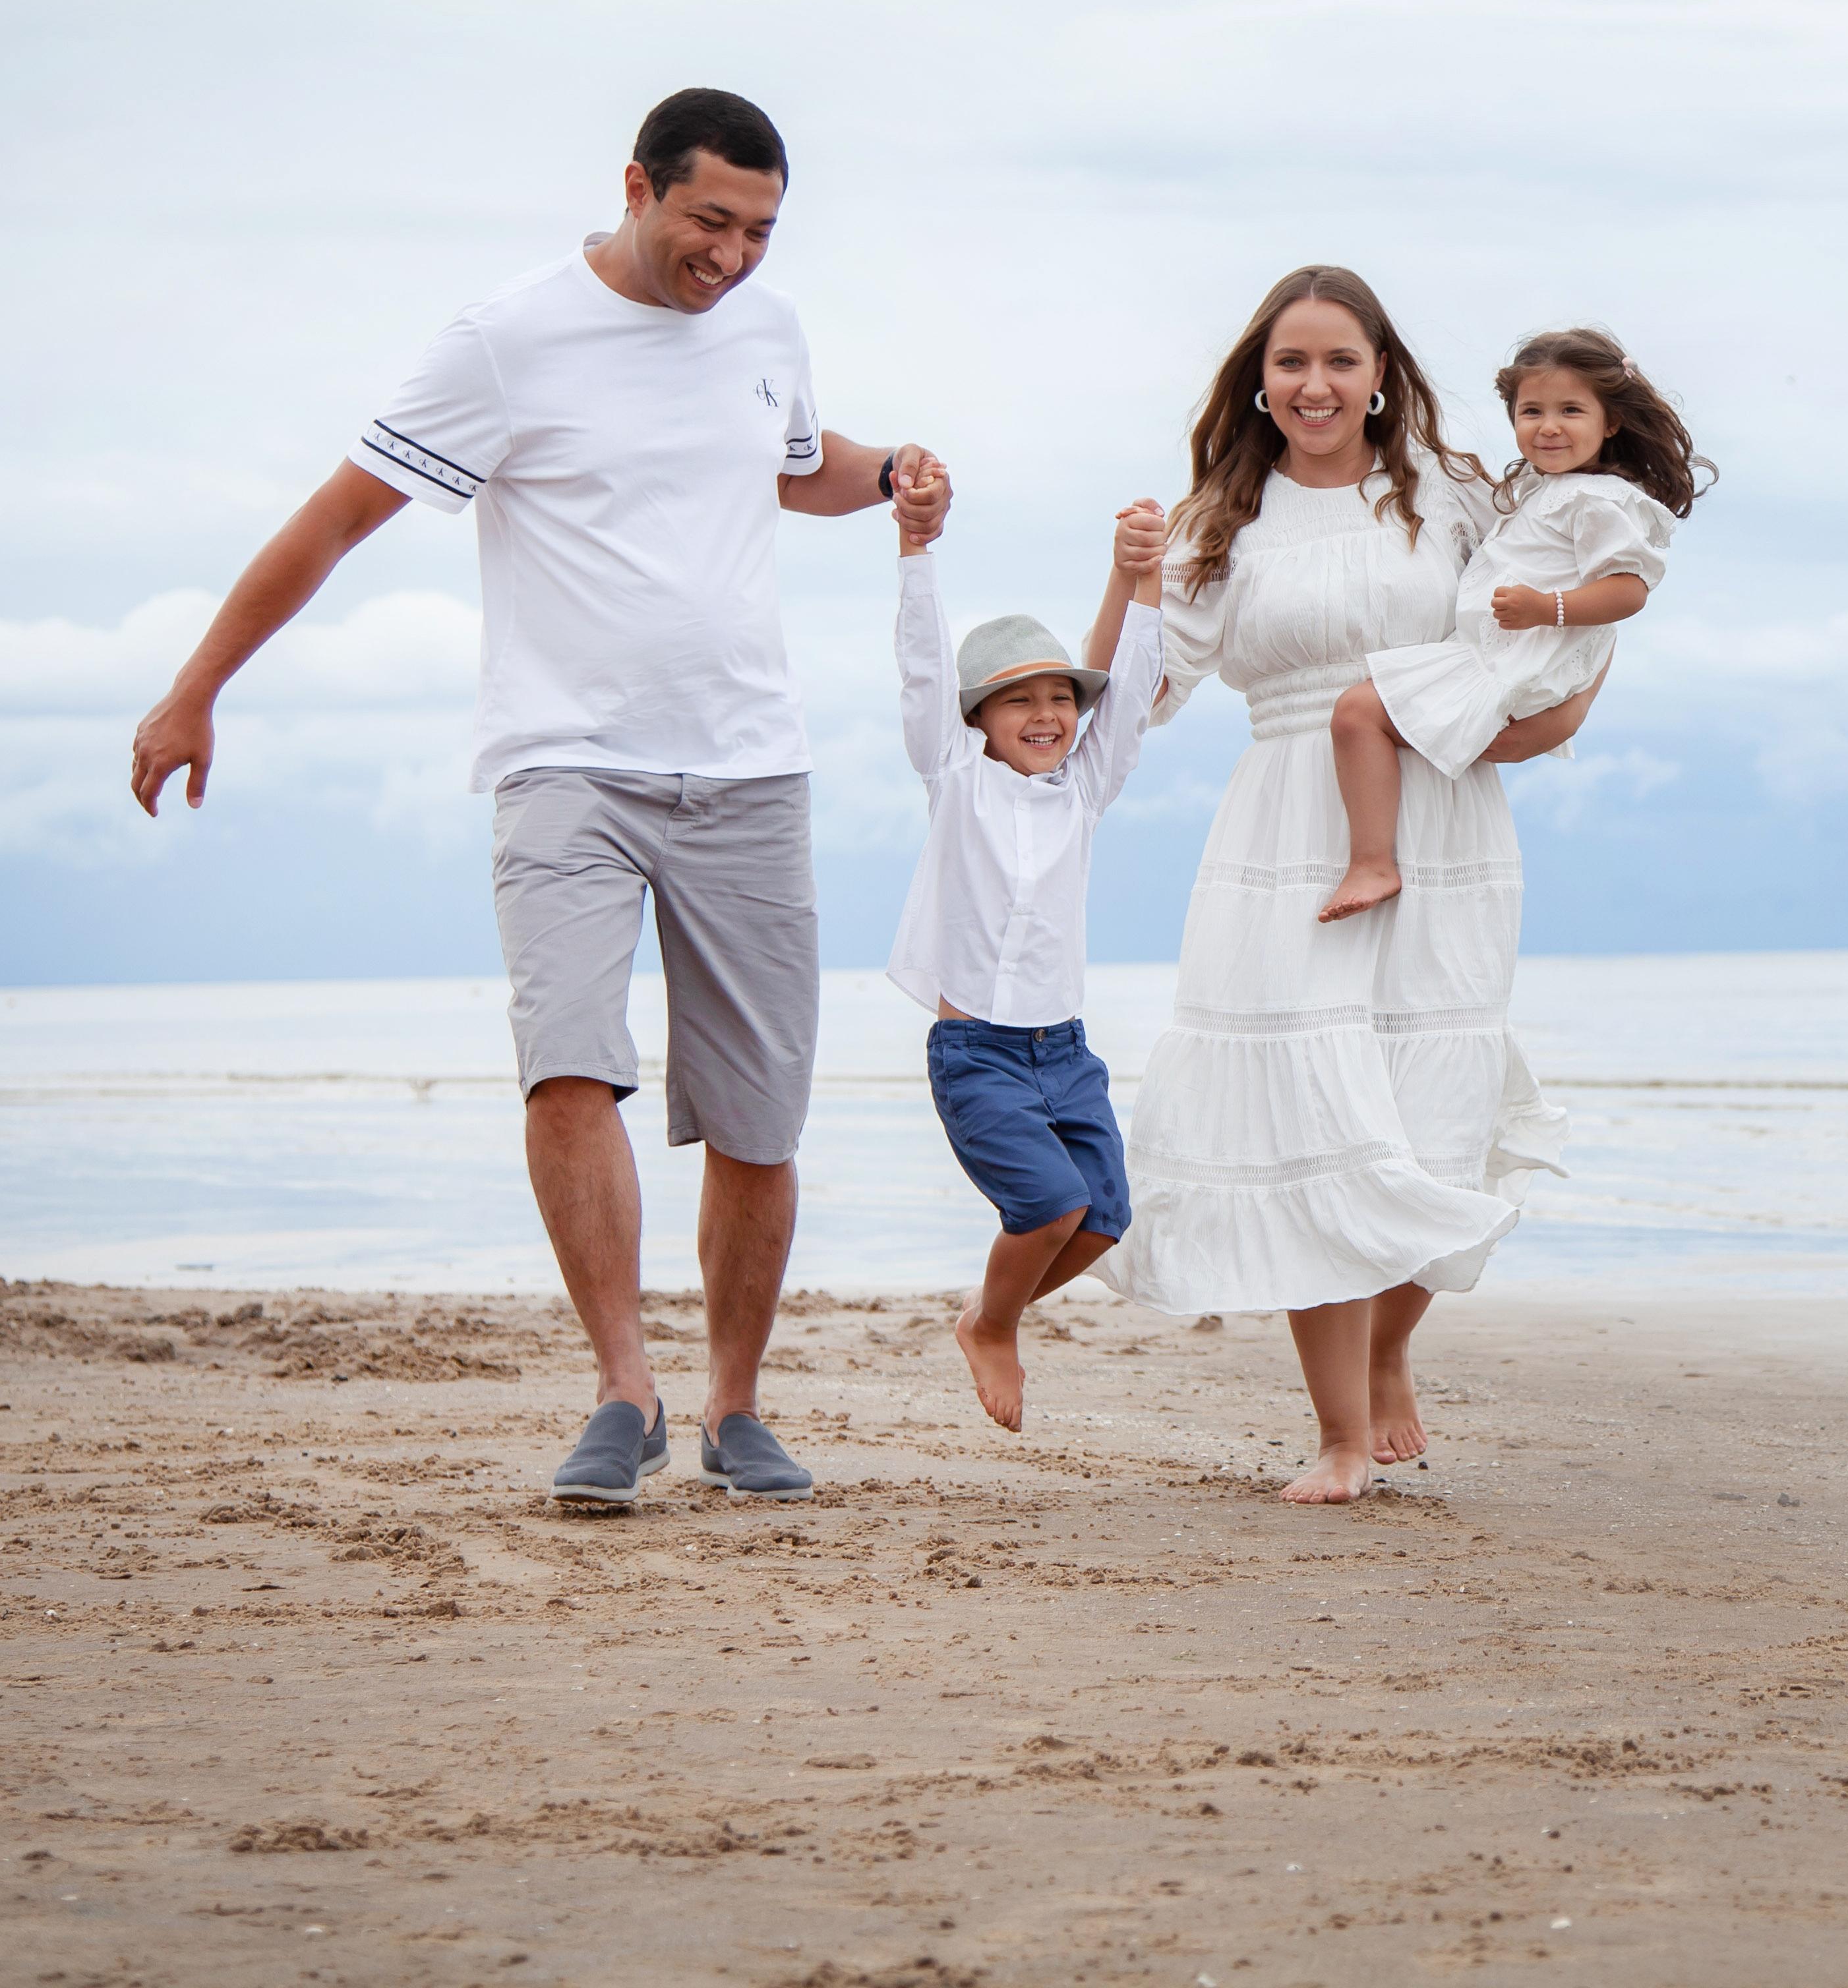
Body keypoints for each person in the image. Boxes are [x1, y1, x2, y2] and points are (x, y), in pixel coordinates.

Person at [126, 87, 941, 1509]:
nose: (733, 258)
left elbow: (797, 470)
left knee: (758, 1118)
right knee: (572, 1063)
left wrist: (900, 475)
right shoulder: (506, 340)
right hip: (563, 763)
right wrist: (195, 688)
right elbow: (337, 517)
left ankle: (734, 1410)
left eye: (759, 230)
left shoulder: (769, 328)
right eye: (708, 222)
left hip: (751, 767)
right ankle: (623, 1395)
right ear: (636, 185)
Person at [1081, 266, 1594, 1504]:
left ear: (1380, 376)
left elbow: (1557, 632)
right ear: (1258, 381)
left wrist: (1548, 717)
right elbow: (1125, 699)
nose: (1314, 384)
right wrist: (1126, 579)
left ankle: (1390, 1346)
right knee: (1313, 1120)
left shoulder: (1455, 496)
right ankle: (1339, 1434)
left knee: (1437, 1112)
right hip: (1283, 831)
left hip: (1445, 812)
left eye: (1339, 361)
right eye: (1291, 362)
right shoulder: (1223, 517)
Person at [886, 467, 1170, 1433]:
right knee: (1047, 1205)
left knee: (1100, 1218)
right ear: (979, 722)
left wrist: (1149, 580)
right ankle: (995, 1326)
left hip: (1066, 1053)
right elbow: (924, 669)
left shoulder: (1083, 794)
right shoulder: (956, 779)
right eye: (1020, 701)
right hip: (981, 1058)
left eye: (1059, 697)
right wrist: (914, 549)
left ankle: (988, 1314)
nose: (1047, 713)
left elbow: (1128, 697)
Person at [1317, 329, 1710, 921]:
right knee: (1360, 718)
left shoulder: (1600, 500)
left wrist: (1544, 608)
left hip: (1507, 663)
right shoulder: (1536, 489)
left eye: (1570, 410)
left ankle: (1373, 862)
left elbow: (1629, 591)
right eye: (1532, 411)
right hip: (1491, 655)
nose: (1548, 427)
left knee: (1356, 714)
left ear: (1611, 423)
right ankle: (1386, 859)